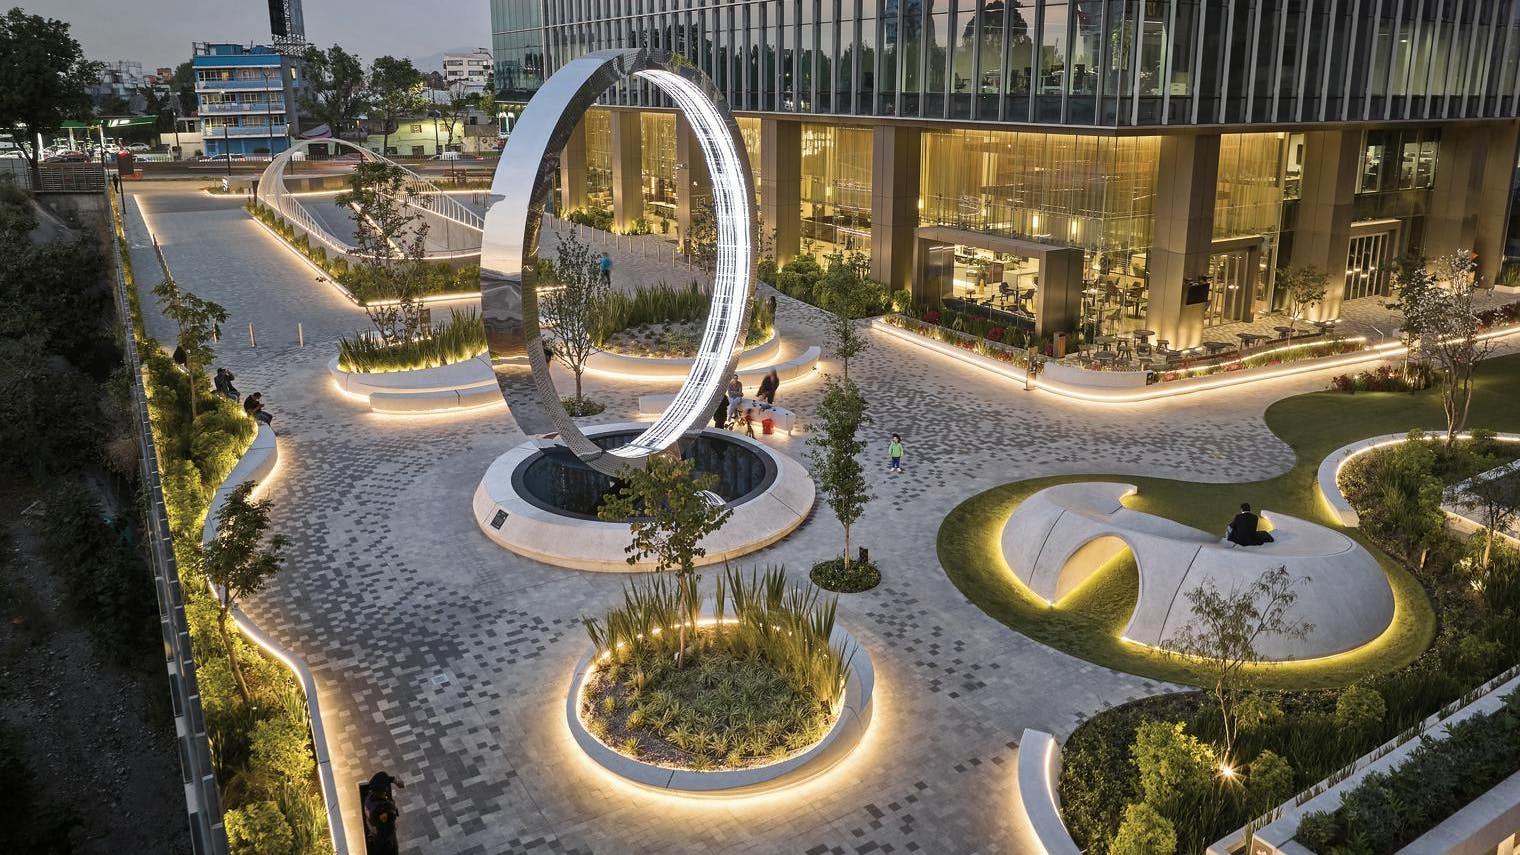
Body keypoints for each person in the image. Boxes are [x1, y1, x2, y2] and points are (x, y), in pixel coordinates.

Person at [362, 771, 405, 855]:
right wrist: (392, 807)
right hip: (385, 844)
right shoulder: (383, 809)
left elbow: (382, 780)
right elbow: (390, 818)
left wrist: (393, 780)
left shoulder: (368, 799)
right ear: (385, 789)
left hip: (375, 838)